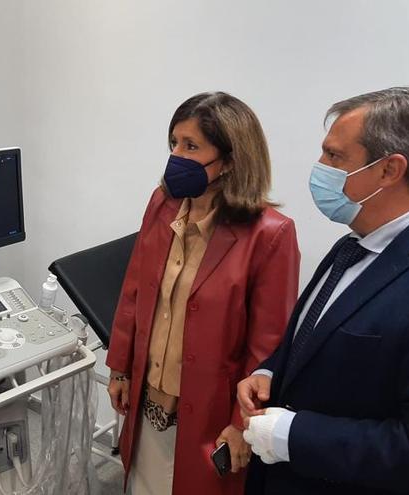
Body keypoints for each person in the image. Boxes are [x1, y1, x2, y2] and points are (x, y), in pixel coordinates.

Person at [239, 87, 409, 495]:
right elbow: (317, 336)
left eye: (334, 157)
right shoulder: (358, 241)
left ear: (389, 170)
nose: (320, 167)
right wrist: (270, 370)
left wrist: (294, 435)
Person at [105, 92, 300, 494]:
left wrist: (241, 423)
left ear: (230, 159)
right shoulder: (163, 203)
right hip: (146, 396)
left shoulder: (269, 234)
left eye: (191, 146)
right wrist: (120, 367)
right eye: (173, 143)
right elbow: (135, 291)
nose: (176, 155)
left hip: (209, 411)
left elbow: (268, 345)